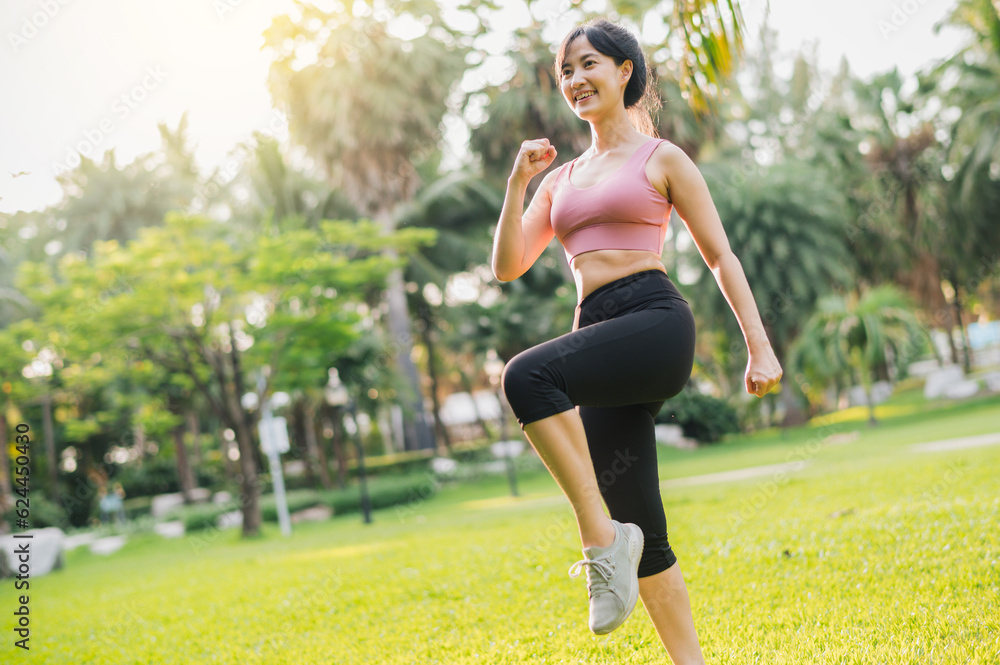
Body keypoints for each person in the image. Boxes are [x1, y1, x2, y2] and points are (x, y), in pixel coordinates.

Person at [491, 17, 783, 662]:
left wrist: (759, 347)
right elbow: (508, 264)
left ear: (625, 71)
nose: (576, 79)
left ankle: (597, 539)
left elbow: (720, 256)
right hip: (596, 334)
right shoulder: (560, 179)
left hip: (653, 322)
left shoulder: (662, 158)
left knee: (525, 376)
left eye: (589, 64)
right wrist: (518, 185)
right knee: (644, 529)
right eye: (566, 71)